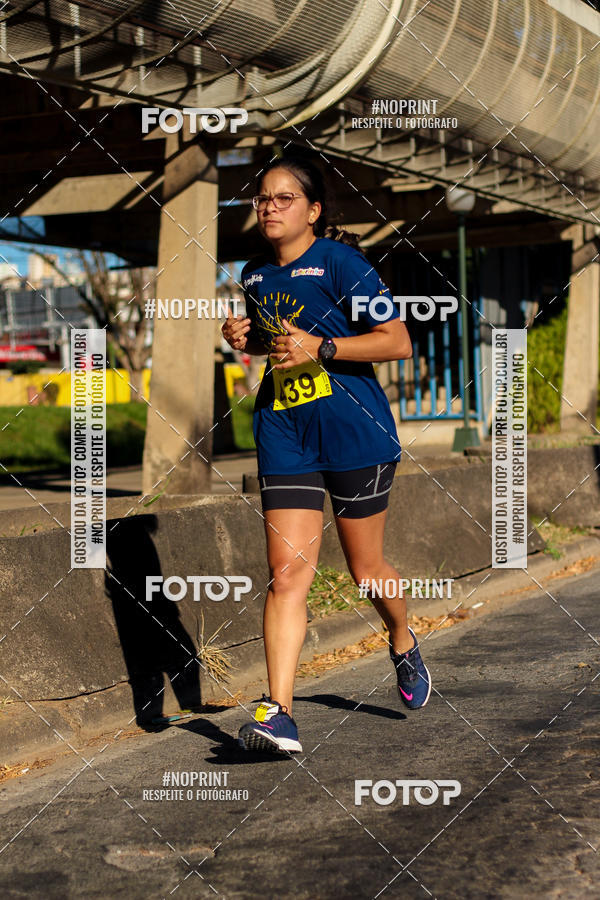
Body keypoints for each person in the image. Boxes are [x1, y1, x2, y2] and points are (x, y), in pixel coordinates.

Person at [221, 154, 431, 755]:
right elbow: (277, 339)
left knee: (366, 572)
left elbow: (397, 342)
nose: (268, 206)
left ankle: (401, 637)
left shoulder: (342, 263)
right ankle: (279, 713)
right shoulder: (255, 274)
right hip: (284, 430)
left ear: (313, 211)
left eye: (283, 198)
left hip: (353, 431)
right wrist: (247, 338)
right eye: (262, 198)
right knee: (287, 576)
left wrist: (325, 345)